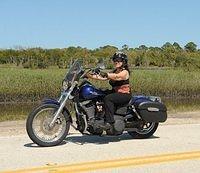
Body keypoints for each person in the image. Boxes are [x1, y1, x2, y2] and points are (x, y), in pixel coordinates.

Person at [86, 51, 132, 129]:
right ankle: (98, 117)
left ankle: (109, 122)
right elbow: (103, 78)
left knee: (108, 98)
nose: (116, 62)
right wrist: (88, 75)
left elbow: (117, 76)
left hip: (124, 94)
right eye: (115, 60)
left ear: (123, 61)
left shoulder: (125, 72)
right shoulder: (114, 71)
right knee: (99, 94)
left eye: (119, 60)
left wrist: (107, 74)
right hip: (116, 93)